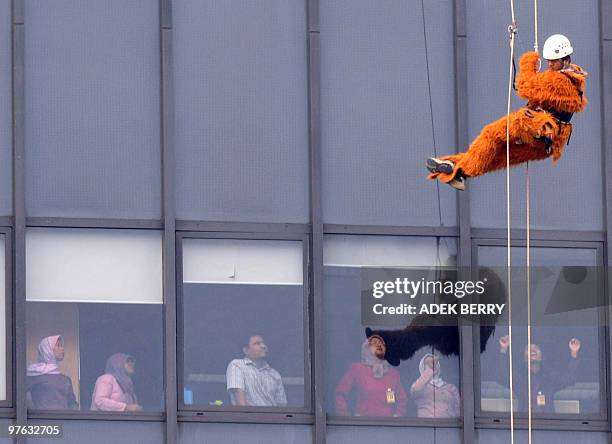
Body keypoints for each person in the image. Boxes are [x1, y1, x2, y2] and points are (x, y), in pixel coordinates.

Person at [427, 34, 587, 190]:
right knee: (500, 155)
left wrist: (528, 62)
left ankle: (460, 169)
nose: (550, 65)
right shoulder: (573, 79)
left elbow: (525, 86)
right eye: (549, 61)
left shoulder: (559, 81)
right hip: (546, 144)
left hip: (534, 128)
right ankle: (459, 170)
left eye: (554, 61)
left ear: (566, 60)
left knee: (491, 135)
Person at [495, 335, 582, 412]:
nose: (532, 350)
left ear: (541, 356)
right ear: (524, 358)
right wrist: (503, 349)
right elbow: (502, 376)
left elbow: (570, 378)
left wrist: (574, 352)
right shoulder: (519, 379)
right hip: (524, 424)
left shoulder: (550, 378)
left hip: (547, 424)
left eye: (536, 348)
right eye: (528, 349)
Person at [335, 336, 407, 417]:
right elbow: (340, 393)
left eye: (382, 344)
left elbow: (402, 399)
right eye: (374, 343)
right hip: (363, 425)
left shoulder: (393, 374)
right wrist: (346, 417)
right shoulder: (357, 369)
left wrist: (397, 416)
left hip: (387, 426)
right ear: (367, 348)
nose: (379, 346)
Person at [226, 335, 287, 407]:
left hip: (273, 417)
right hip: (249, 417)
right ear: (246, 350)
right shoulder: (237, 365)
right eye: (257, 343)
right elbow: (241, 404)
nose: (263, 346)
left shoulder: (274, 374)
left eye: (263, 343)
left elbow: (282, 406)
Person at [27, 335, 78, 410]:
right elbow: (18, 396)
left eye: (62, 346)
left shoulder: (66, 379)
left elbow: (72, 404)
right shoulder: (35, 374)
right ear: (47, 349)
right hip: (44, 420)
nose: (62, 349)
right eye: (58, 345)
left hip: (64, 420)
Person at [410, 352, 460, 418]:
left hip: (447, 426)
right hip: (426, 426)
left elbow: (459, 412)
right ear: (422, 368)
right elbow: (416, 389)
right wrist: (429, 371)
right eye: (428, 364)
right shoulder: (419, 386)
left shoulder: (451, 388)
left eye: (434, 363)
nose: (432, 365)